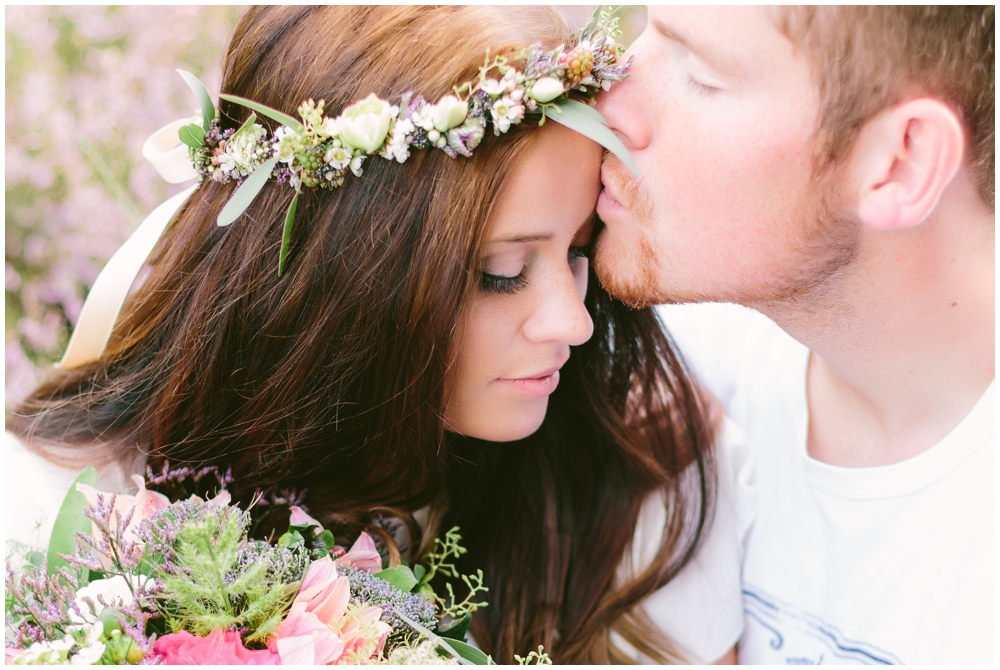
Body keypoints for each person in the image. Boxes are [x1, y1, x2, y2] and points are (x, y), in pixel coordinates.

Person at [5, 6, 753, 664]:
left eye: (580, 251)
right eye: (499, 273)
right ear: (342, 281)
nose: (573, 321)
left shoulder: (645, 494)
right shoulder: (54, 517)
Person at [594, 5, 994, 665]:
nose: (608, 100)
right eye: (646, 27)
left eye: (700, 74)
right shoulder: (669, 385)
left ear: (900, 162)